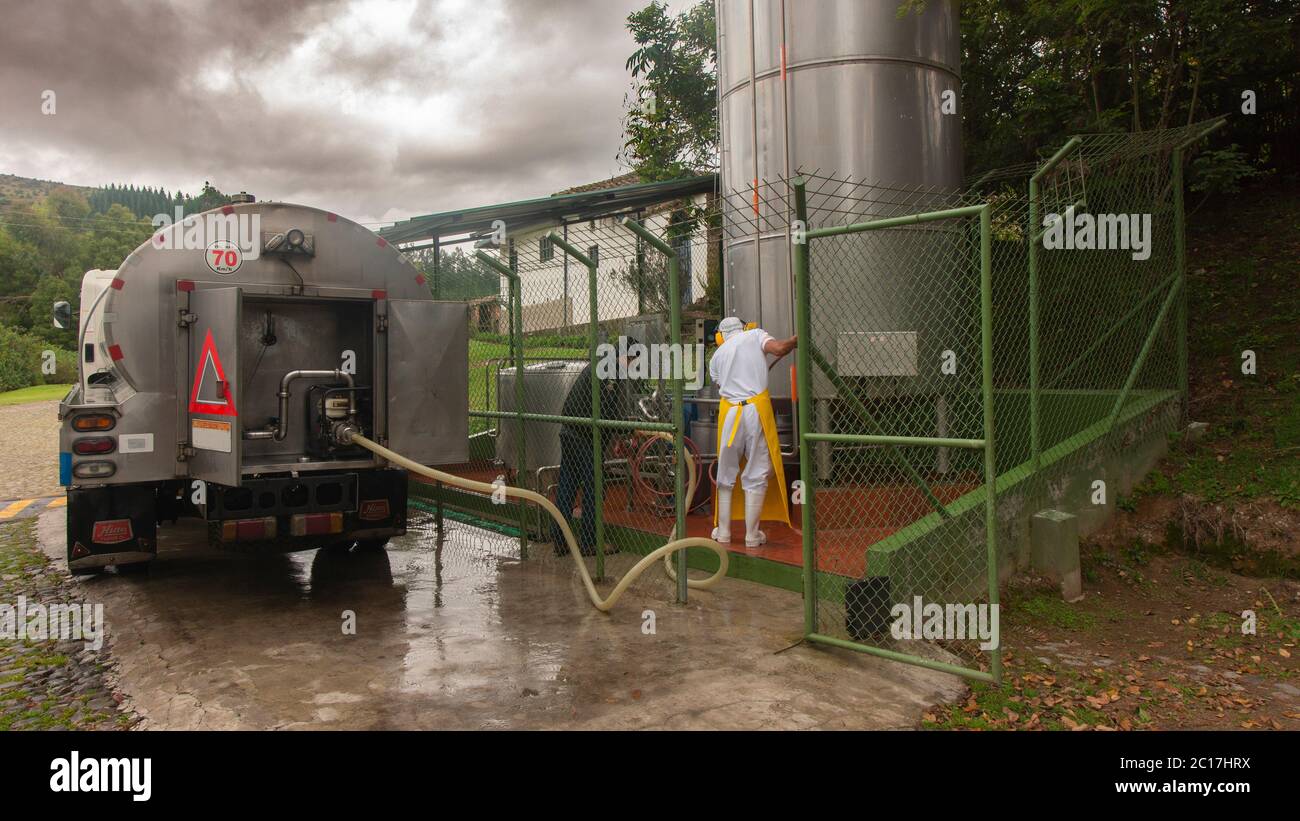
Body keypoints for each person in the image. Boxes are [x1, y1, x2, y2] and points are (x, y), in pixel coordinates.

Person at [709, 317, 797, 547]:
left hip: (729, 414)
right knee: (756, 470)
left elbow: (722, 386)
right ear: (744, 327)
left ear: (721, 336)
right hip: (755, 412)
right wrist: (795, 341)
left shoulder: (717, 356)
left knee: (726, 473)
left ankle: (725, 533)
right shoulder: (756, 335)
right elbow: (778, 348)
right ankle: (751, 535)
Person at [550, 337, 638, 557]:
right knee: (594, 488)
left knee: (568, 486)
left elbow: (604, 410)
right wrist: (627, 429)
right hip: (584, 437)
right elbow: (605, 414)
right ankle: (590, 542)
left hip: (570, 431)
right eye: (634, 360)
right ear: (626, 356)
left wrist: (619, 428)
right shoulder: (611, 371)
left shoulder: (601, 364)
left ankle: (560, 540)